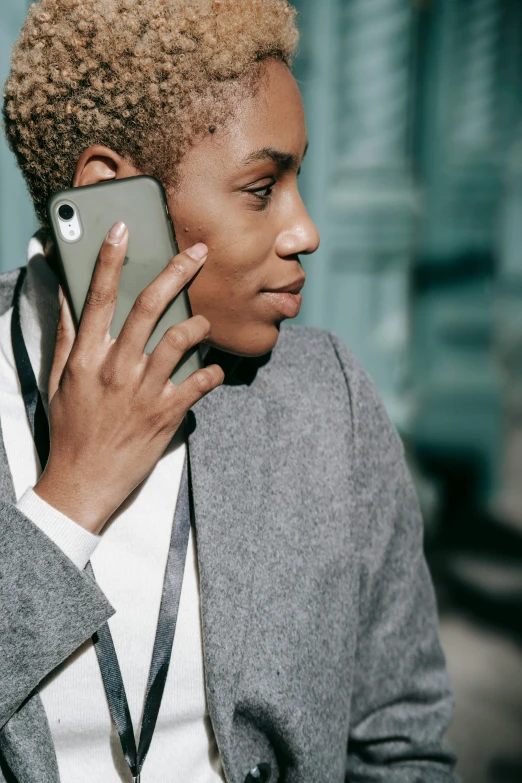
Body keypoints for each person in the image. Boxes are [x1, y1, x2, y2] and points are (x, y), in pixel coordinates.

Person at [0, 0, 458, 781]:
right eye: (261, 187)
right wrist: (68, 500)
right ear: (116, 200)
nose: (305, 229)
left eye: (298, 179)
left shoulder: (327, 400)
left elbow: (402, 741)